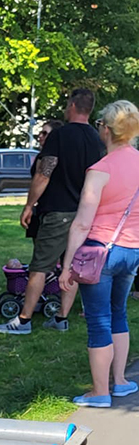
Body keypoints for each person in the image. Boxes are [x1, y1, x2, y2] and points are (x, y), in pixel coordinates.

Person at [0, 89, 104, 334]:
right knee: (72, 266)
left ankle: (23, 321)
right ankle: (61, 318)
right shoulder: (98, 139)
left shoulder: (60, 136)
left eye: (67, 104)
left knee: (40, 267)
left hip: (58, 212)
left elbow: (44, 173)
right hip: (85, 213)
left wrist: (28, 205)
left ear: (73, 105)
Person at [59, 100, 139, 407]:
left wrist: (67, 265)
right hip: (132, 251)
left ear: (106, 130)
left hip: (99, 251)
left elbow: (82, 223)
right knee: (119, 312)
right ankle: (120, 381)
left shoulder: (100, 170)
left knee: (98, 320)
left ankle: (99, 391)